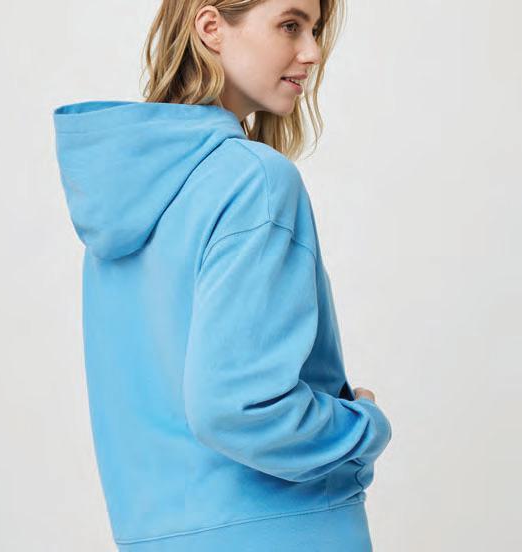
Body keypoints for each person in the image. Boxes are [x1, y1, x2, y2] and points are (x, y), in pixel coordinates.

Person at [52, 0, 392, 550]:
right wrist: (362, 429)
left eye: (315, 30)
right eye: (290, 25)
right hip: (285, 532)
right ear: (211, 27)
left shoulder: (125, 203)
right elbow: (234, 406)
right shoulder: (255, 181)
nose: (311, 52)